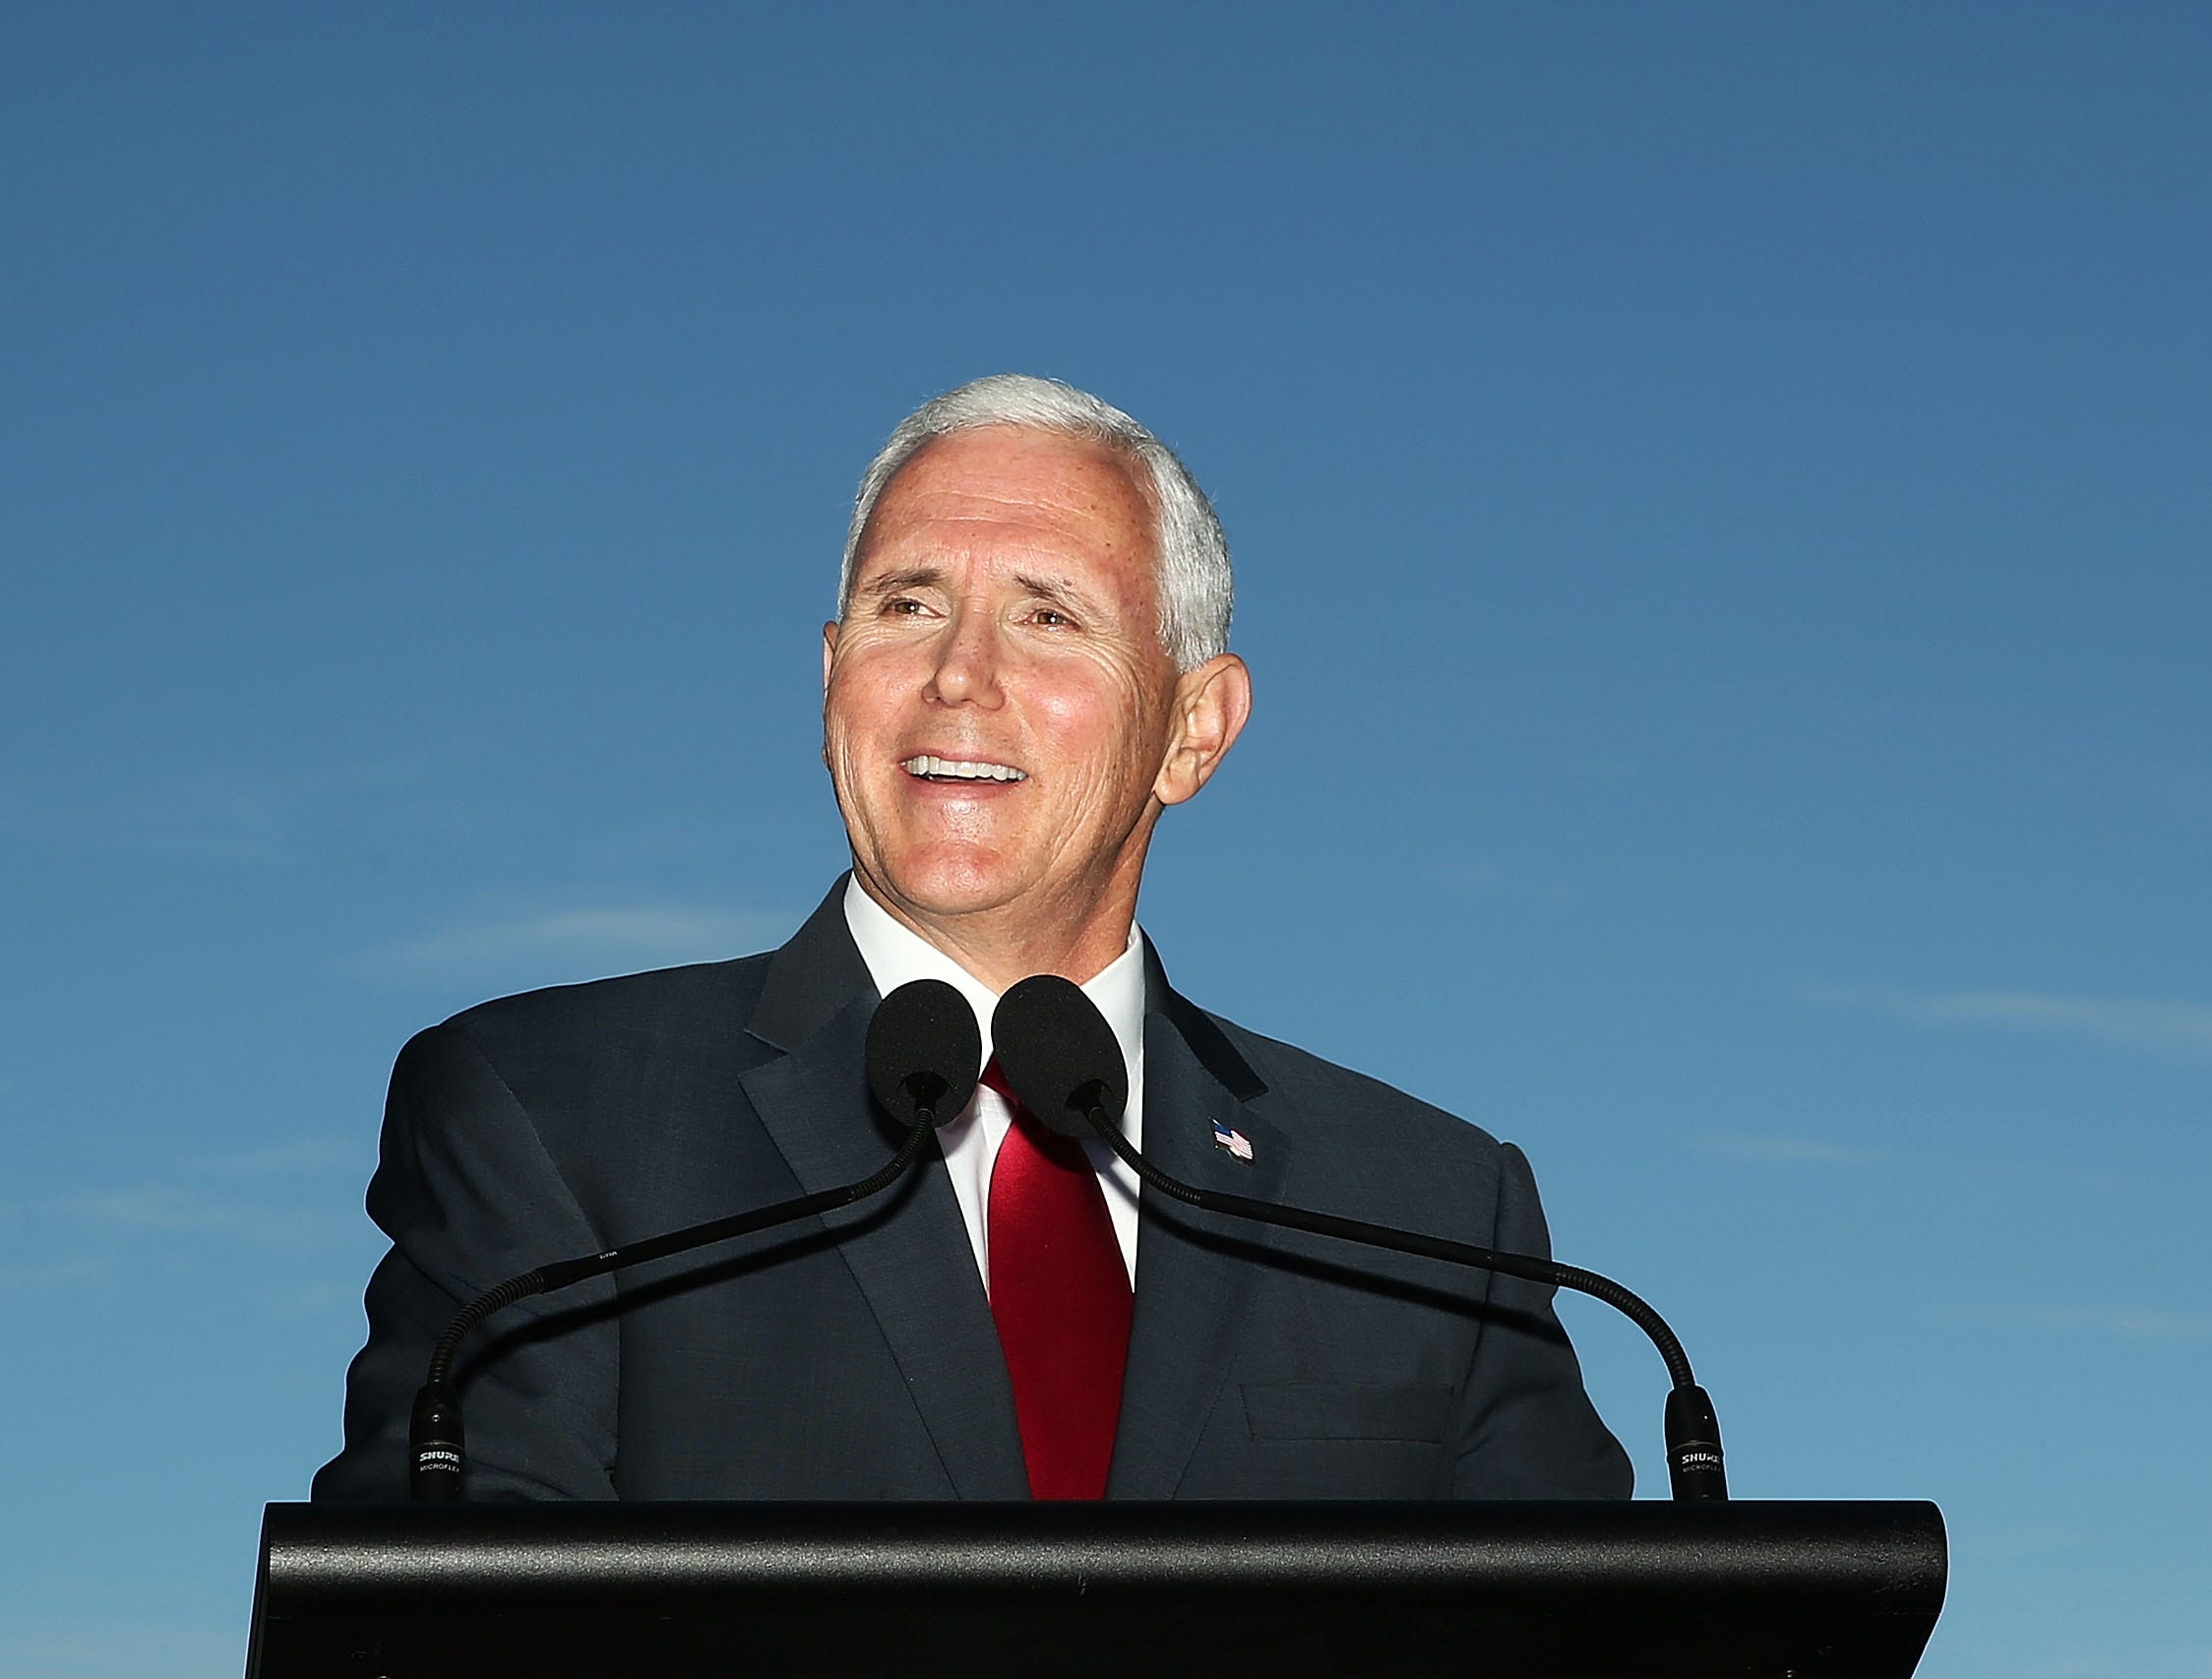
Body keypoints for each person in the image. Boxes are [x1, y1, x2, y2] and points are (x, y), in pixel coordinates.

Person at [312, 376, 1630, 1501]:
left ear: (1194, 731)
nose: (959, 677)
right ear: (830, 678)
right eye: (908, 606)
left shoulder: (1427, 1212)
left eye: (1049, 617)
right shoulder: (549, 1113)